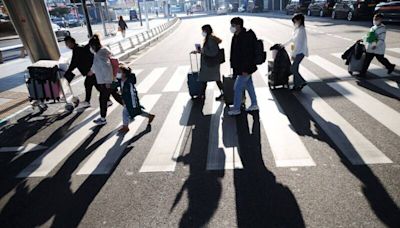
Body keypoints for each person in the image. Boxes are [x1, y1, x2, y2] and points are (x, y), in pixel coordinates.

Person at [88, 34, 123, 125]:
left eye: (91, 46)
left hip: (106, 81)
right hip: (109, 80)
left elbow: (106, 68)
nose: (90, 48)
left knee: (103, 100)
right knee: (116, 96)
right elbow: (97, 66)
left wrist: (108, 81)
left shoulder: (99, 54)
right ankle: (130, 108)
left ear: (94, 46)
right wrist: (92, 71)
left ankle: (103, 119)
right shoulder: (104, 51)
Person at [228, 17, 259, 116]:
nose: (231, 27)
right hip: (242, 68)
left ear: (238, 26)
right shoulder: (236, 36)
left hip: (245, 68)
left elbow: (247, 55)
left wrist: (245, 69)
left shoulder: (245, 37)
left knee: (237, 88)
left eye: (233, 25)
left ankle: (237, 108)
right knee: (249, 85)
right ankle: (254, 104)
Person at [118, 65, 155, 133]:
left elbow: (133, 93)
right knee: (137, 111)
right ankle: (150, 116)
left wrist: (133, 103)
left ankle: (125, 127)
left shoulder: (129, 82)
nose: (118, 73)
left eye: (119, 72)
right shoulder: (121, 80)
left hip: (131, 100)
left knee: (126, 112)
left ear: (124, 74)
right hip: (126, 100)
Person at [64, 36, 99, 108]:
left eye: (67, 43)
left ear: (71, 42)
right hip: (91, 70)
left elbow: (74, 62)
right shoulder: (78, 48)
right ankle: (107, 99)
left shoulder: (77, 49)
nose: (67, 45)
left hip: (90, 71)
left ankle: (87, 101)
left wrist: (69, 70)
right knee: (95, 85)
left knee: (89, 84)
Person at [192, 24, 224, 101]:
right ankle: (203, 95)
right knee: (209, 80)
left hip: (210, 64)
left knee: (206, 80)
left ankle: (202, 96)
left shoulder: (210, 39)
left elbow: (213, 52)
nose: (202, 32)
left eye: (203, 31)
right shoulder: (209, 38)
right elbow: (208, 51)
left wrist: (202, 51)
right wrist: (199, 51)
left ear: (206, 31)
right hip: (210, 64)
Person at [283, 13, 308, 91]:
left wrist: (294, 54)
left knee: (292, 69)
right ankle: (296, 86)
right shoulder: (297, 29)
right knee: (295, 69)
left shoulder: (301, 30)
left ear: (300, 20)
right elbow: (292, 41)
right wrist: (284, 45)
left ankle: (302, 81)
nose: (294, 23)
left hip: (300, 52)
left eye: (295, 21)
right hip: (297, 52)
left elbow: (299, 44)